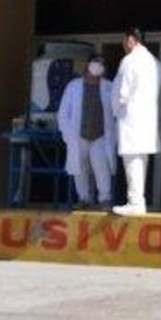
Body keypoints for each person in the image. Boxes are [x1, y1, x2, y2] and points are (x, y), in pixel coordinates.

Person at [110, 26, 161, 216]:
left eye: (124, 41)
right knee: (141, 161)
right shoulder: (155, 62)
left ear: (131, 40)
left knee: (132, 162)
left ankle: (135, 202)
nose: (123, 45)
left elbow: (121, 93)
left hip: (131, 118)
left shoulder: (130, 60)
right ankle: (138, 201)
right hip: (147, 119)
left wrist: (115, 110)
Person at [57, 54, 117, 209]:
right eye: (95, 63)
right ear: (88, 65)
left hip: (101, 135)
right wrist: (67, 135)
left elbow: (117, 112)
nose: (98, 66)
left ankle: (105, 199)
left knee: (102, 167)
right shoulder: (73, 86)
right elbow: (63, 113)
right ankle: (83, 198)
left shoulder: (109, 87)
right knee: (80, 168)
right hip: (78, 136)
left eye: (101, 64)